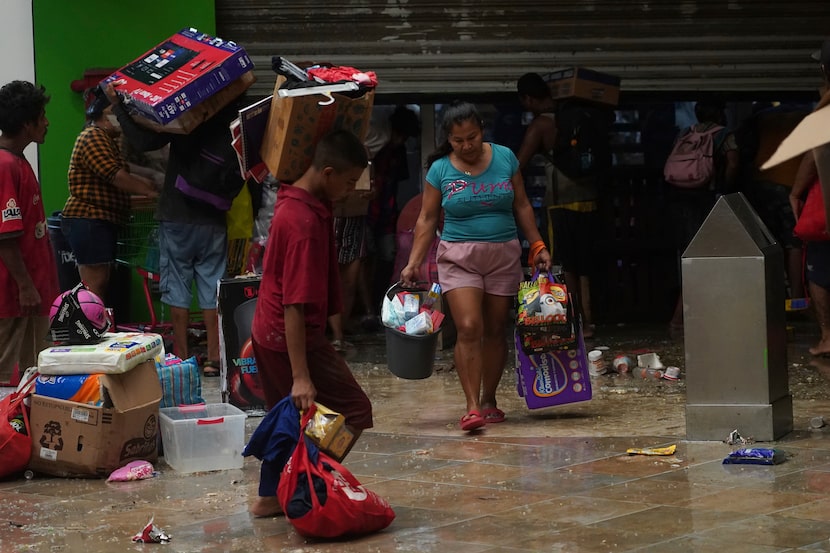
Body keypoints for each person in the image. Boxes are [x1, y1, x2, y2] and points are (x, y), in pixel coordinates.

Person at [400, 101, 551, 432]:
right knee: (469, 326)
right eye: (458, 140)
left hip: (503, 254)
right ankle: (471, 407)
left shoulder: (505, 158)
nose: (466, 146)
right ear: (448, 140)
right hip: (458, 257)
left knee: (496, 328)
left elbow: (523, 204)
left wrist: (537, 244)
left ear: (482, 130)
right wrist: (412, 263)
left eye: (472, 137)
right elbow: (426, 219)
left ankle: (489, 399)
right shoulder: (439, 169)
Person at [249, 130, 373, 516]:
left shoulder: (303, 199)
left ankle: (272, 496)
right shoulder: (301, 222)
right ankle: (302, 483)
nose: (352, 190)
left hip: (273, 332)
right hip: (288, 334)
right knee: (353, 409)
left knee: (289, 416)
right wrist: (301, 376)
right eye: (350, 182)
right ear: (328, 172)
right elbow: (295, 307)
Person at [104, 83, 243, 377]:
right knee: (212, 287)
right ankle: (214, 358)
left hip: (177, 215)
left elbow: (143, 141)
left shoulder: (189, 117)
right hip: (214, 217)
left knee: (177, 285)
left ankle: (181, 356)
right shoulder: (234, 121)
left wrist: (119, 106)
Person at [516, 72, 609, 338]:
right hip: (589, 199)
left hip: (560, 204)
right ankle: (591, 321)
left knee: (566, 264)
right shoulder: (577, 115)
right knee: (586, 264)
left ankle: (576, 322)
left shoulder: (542, 125)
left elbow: (517, 165)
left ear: (529, 98)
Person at [61, 87, 159, 302]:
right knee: (94, 284)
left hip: (97, 221)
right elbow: (115, 175)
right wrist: (151, 192)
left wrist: (152, 181)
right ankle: (89, 329)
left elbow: (123, 171)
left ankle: (93, 327)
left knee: (99, 282)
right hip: (89, 219)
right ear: (105, 115)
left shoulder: (106, 140)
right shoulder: (94, 136)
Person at [0, 80, 58, 385]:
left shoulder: (20, 161)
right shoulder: (4, 166)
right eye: (42, 115)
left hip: (31, 296)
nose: (47, 122)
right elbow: (5, 238)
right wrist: (25, 287)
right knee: (7, 378)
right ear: (26, 124)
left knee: (34, 375)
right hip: (13, 299)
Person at [666, 100, 738, 337]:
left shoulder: (686, 133)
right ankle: (680, 320)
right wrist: (726, 189)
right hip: (706, 200)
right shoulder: (723, 134)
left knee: (690, 258)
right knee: (706, 258)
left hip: (680, 201)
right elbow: (733, 163)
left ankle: (687, 318)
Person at [737, 102, 809, 300]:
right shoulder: (808, 114)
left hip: (762, 182)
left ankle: (770, 298)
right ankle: (797, 298)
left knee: (768, 243)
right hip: (791, 183)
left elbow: (745, 149)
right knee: (794, 243)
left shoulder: (761, 117)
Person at [366, 105, 420, 309]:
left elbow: (397, 184)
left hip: (387, 214)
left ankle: (382, 302)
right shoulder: (375, 148)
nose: (400, 140)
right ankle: (369, 307)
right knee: (368, 260)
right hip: (369, 212)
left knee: (388, 257)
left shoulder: (398, 153)